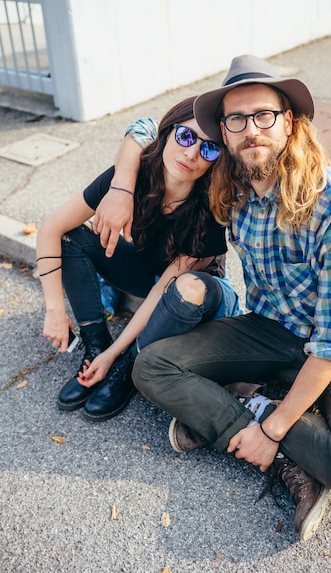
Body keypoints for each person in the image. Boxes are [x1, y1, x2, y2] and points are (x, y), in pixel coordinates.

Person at [127, 55, 331, 540]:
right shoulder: (232, 191)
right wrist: (119, 190)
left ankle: (243, 415)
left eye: (263, 115)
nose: (251, 130)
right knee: (150, 366)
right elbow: (148, 133)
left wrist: (273, 429)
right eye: (237, 119)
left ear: (288, 122)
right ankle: (258, 425)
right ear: (224, 134)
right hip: (268, 332)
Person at [36, 96, 242, 422]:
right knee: (72, 237)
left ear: (216, 160)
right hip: (149, 275)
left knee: (178, 292)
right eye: (186, 137)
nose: (191, 154)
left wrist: (115, 356)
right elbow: (50, 228)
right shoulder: (135, 176)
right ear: (168, 133)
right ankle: (93, 344)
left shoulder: (210, 208)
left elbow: (164, 291)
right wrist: (56, 311)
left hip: (194, 296)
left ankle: (129, 363)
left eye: (209, 149)